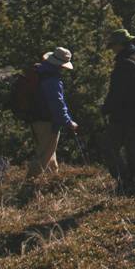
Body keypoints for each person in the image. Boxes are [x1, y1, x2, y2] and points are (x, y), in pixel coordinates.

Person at [102, 28, 135, 196]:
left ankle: (125, 180)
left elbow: (115, 93)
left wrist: (105, 109)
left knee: (109, 149)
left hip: (122, 116)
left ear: (120, 45)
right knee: (134, 150)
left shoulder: (123, 64)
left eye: (113, 46)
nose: (112, 49)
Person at [27, 47, 78, 179]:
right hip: (47, 121)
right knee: (43, 155)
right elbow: (57, 103)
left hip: (35, 118)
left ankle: (52, 180)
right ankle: (29, 184)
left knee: (49, 152)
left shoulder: (41, 72)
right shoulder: (52, 79)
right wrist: (68, 121)